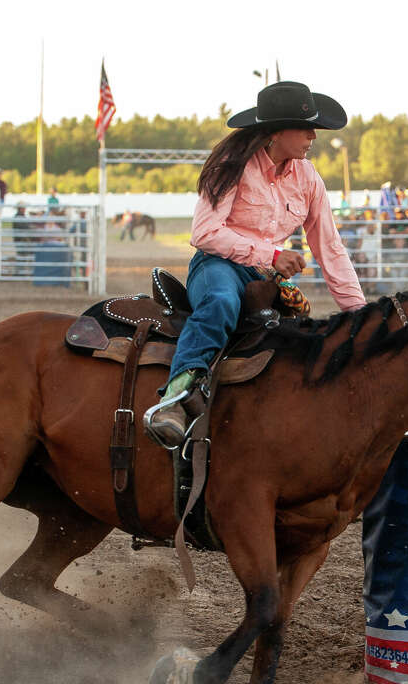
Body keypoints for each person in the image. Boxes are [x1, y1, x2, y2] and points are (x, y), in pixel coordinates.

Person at [144, 81, 367, 448]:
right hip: (217, 265)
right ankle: (176, 396)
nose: (313, 135)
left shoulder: (308, 178)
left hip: (263, 275)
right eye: (306, 126)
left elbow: (330, 248)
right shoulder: (231, 166)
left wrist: (358, 313)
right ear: (277, 131)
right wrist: (273, 256)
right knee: (221, 303)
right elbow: (204, 233)